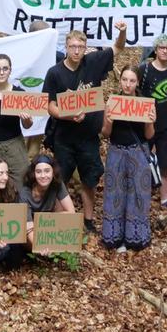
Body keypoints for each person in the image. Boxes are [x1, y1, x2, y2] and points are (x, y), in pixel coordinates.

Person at [43, 24, 126, 233]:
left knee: (89, 179)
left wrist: (122, 32)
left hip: (89, 136)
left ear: (86, 47)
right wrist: (68, 115)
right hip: (64, 137)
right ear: (66, 47)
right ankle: (58, 222)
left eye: (81, 46)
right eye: (73, 46)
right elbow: (50, 105)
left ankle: (88, 221)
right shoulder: (54, 73)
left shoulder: (93, 62)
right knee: (59, 180)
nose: (77, 51)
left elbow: (118, 47)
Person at [101, 65, 155, 253]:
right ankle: (113, 236)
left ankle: (136, 237)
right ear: (120, 80)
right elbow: (106, 134)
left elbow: (149, 135)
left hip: (137, 153)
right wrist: (108, 120)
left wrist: (149, 121)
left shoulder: (144, 103)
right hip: (116, 151)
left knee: (138, 194)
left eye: (132, 80)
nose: (128, 84)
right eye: (125, 80)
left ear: (137, 82)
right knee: (115, 193)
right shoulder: (113, 102)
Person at [138, 34, 167, 209]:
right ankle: (143, 194)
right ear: (156, 50)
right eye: (161, 47)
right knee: (143, 160)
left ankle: (165, 197)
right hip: (145, 123)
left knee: (166, 162)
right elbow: (136, 92)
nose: (165, 51)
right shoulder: (145, 70)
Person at [19, 155, 75, 248]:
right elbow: (28, 227)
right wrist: (41, 246)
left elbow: (71, 212)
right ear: (33, 173)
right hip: (30, 229)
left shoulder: (57, 184)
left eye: (47, 171)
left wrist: (47, 220)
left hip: (47, 224)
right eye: (38, 172)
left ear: (53, 172)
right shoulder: (25, 193)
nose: (43, 176)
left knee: (61, 208)